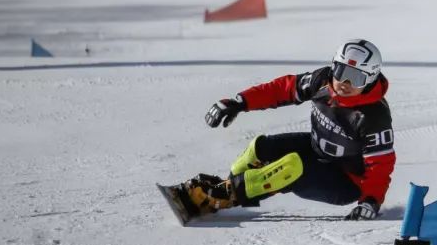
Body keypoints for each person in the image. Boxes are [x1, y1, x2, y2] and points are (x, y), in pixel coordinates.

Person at [160, 39, 396, 224]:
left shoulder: (373, 116)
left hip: (346, 181)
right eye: (341, 71)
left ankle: (219, 198)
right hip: (318, 150)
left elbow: (381, 165)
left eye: (356, 77)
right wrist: (240, 102)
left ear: (371, 79)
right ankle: (225, 190)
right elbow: (282, 89)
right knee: (259, 149)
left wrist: (370, 202)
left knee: (290, 167)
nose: (344, 82)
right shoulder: (322, 80)